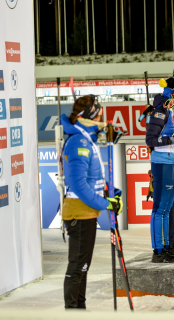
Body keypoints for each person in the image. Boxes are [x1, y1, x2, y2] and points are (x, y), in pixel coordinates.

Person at [61, 95, 123, 309]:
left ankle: (80, 308)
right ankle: (73, 309)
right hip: (79, 211)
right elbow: (79, 185)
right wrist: (105, 203)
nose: (103, 118)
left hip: (87, 211)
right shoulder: (78, 142)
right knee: (78, 266)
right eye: (99, 114)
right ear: (89, 115)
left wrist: (112, 193)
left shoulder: (87, 139)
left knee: (83, 266)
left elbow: (94, 178)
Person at [145, 76, 174, 263]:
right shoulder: (160, 111)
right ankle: (158, 250)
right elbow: (150, 140)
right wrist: (171, 140)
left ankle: (166, 247)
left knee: (167, 207)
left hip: (173, 160)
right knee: (160, 208)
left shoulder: (173, 111)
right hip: (162, 161)